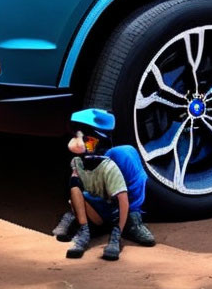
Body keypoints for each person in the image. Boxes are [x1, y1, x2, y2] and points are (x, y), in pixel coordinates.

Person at [51, 108, 156, 260]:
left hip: (122, 202)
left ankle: (132, 221)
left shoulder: (115, 156)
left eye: (85, 135)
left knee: (125, 153)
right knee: (78, 189)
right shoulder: (77, 160)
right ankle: (76, 220)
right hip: (96, 204)